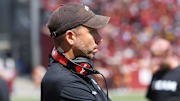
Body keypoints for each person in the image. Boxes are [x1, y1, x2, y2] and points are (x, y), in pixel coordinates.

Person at [41, 3, 111, 101]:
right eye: (92, 31)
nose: (99, 39)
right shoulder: (65, 83)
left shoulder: (77, 68)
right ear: (70, 37)